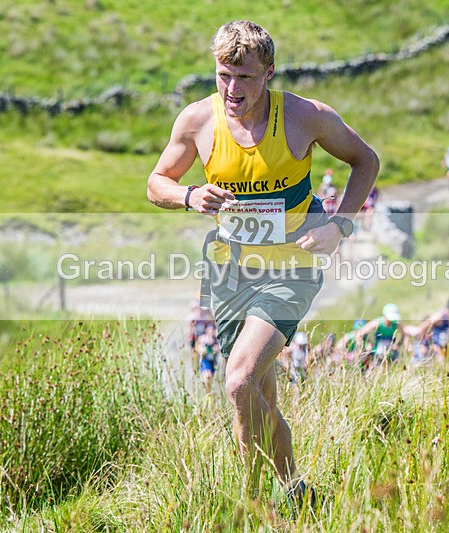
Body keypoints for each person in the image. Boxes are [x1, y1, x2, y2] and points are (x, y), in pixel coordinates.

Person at [146, 20, 379, 502]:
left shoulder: (305, 116)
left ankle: (251, 506)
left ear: (269, 73)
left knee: (237, 381)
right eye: (223, 75)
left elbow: (366, 161)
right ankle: (295, 493)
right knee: (258, 396)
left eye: (245, 77)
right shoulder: (198, 120)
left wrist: (339, 226)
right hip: (231, 273)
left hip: (293, 266)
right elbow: (156, 183)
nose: (232, 89)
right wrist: (189, 196)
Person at [412, 297, 449, 363]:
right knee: (440, 360)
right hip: (435, 342)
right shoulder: (440, 316)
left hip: (447, 344)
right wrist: (423, 342)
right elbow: (425, 325)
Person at [355, 304, 404, 368]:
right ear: (384, 315)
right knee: (377, 363)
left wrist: (398, 344)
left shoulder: (396, 323)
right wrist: (363, 346)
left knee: (394, 362)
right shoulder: (377, 322)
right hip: (378, 351)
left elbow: (404, 334)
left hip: (391, 351)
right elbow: (359, 334)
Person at [196, 323, 220, 392]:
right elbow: (198, 348)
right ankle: (207, 392)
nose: (211, 331)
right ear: (206, 330)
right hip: (205, 360)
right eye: (210, 330)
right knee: (207, 376)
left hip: (213, 361)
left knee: (211, 379)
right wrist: (203, 350)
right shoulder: (202, 338)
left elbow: (218, 350)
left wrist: (215, 350)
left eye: (213, 330)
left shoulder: (216, 340)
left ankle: (209, 392)